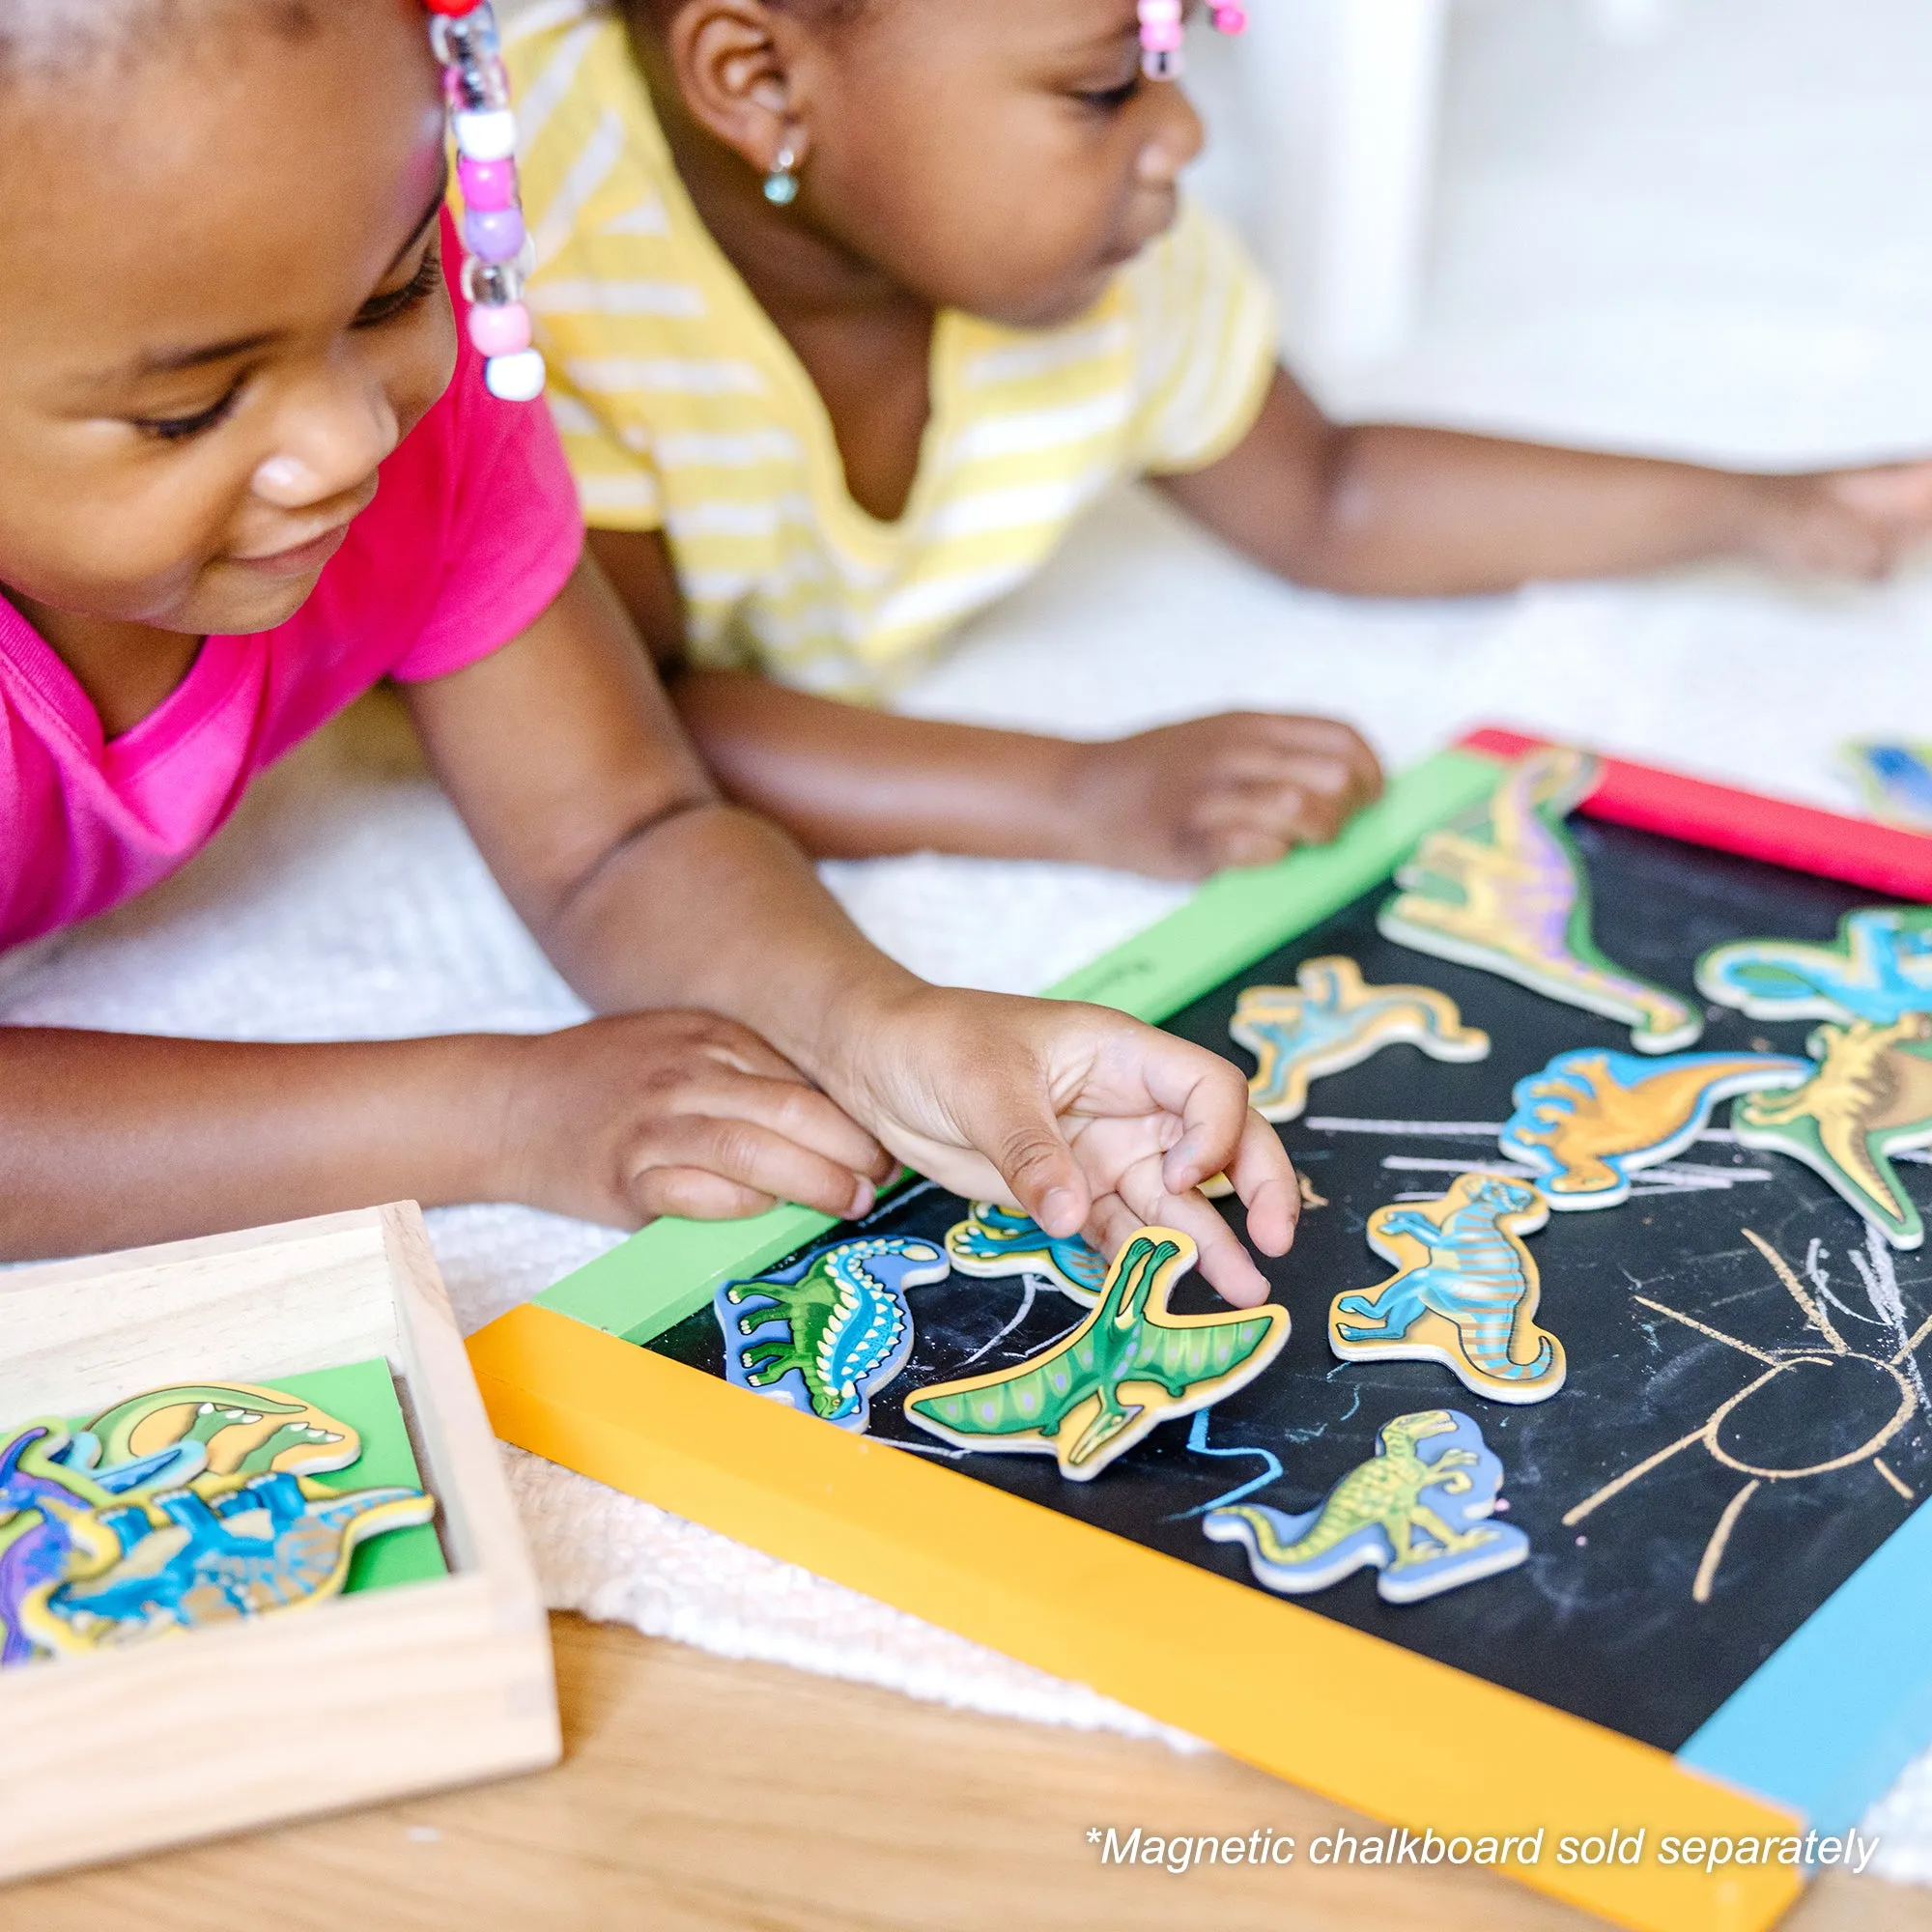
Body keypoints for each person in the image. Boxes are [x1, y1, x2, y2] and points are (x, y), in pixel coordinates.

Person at [0, 0, 1296, 1302]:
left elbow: (619, 832)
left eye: (398, 284)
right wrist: (493, 1109)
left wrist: (891, 1029)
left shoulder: (434, 413)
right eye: (189, 410)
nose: (351, 441)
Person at [506, 0, 1932, 880]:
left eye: (1181, 48)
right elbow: (620, 730)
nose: (1184, 134)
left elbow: (1331, 492)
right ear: (756, 78)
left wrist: (1762, 509)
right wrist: (1079, 792)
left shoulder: (1105, 247)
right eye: (1106, 86)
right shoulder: (542, 279)